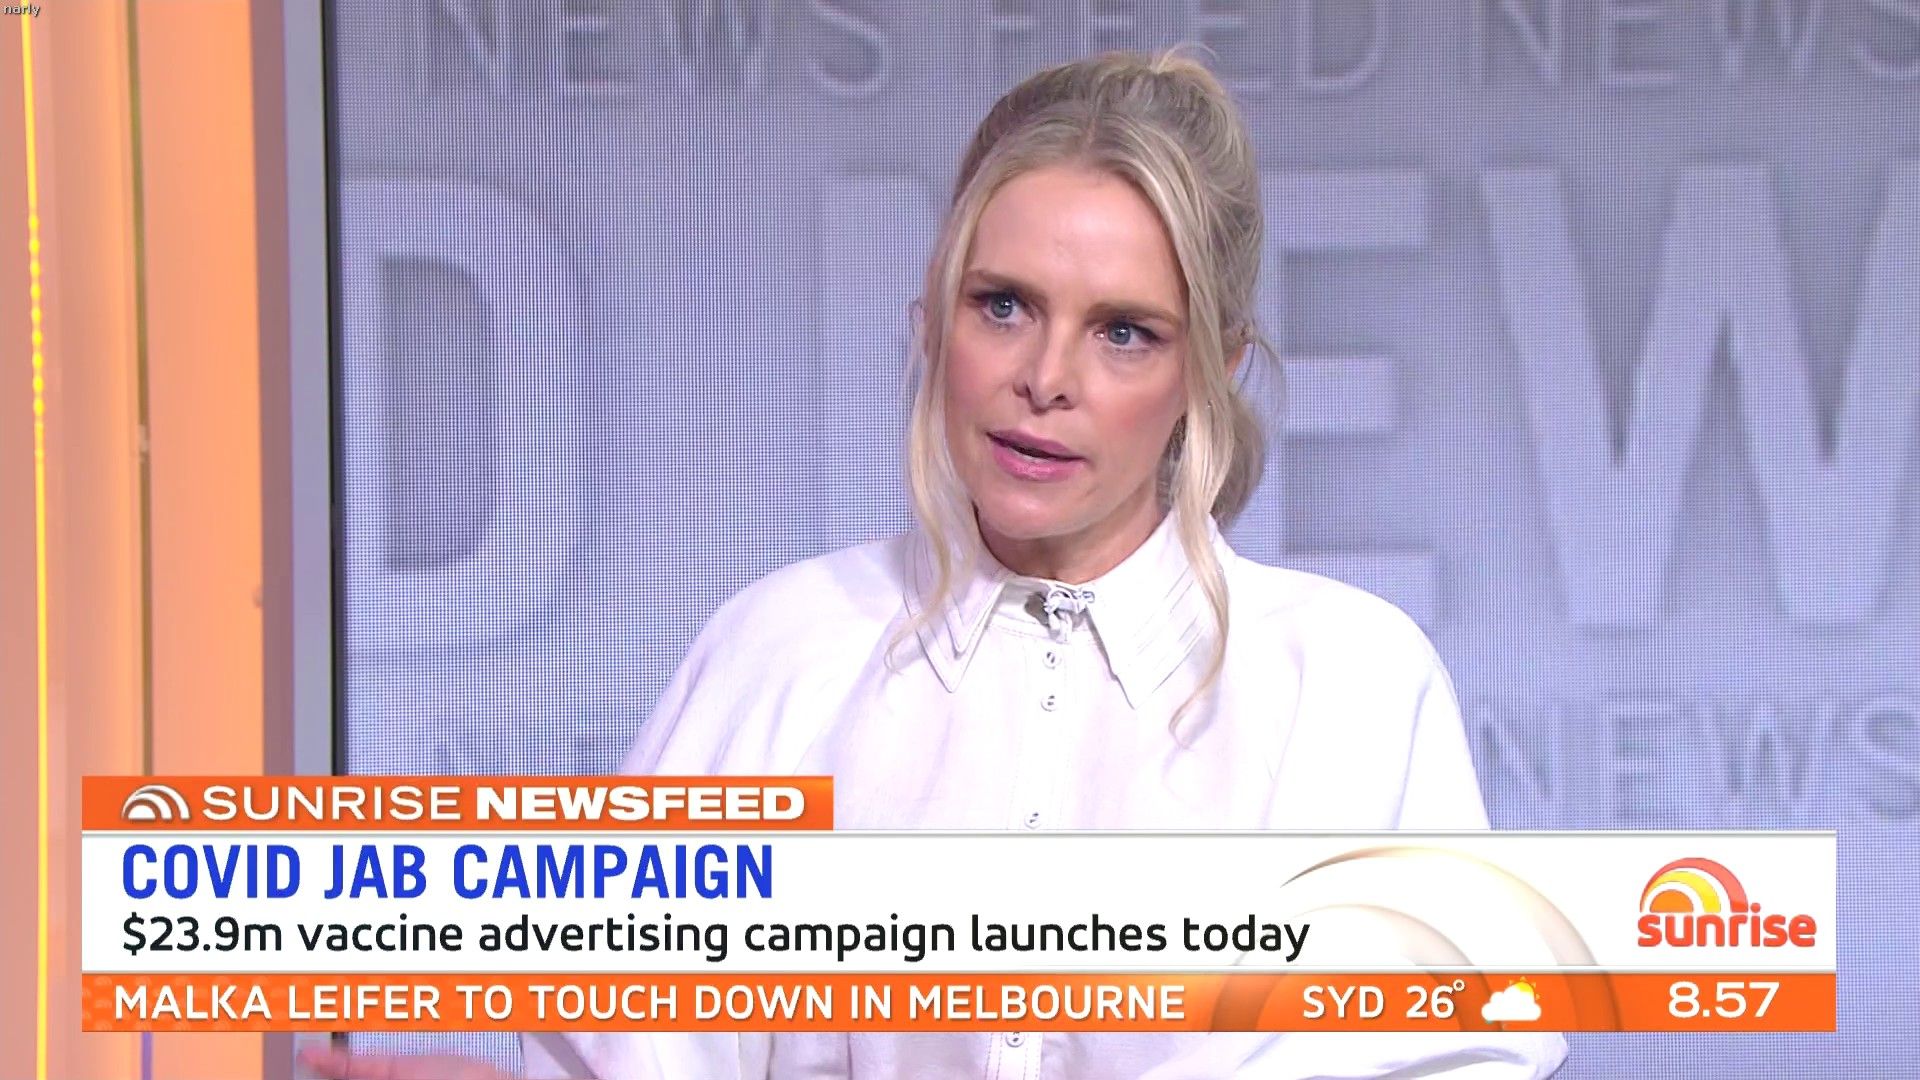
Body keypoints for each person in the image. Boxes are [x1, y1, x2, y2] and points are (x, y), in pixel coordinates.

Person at [305, 47, 1567, 1080]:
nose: (1046, 378)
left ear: (1210, 370)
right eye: (1003, 305)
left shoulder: (1347, 687)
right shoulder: (779, 655)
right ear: (932, 316)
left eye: (1125, 332)